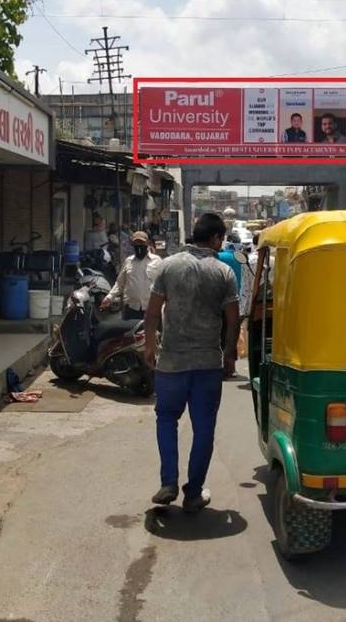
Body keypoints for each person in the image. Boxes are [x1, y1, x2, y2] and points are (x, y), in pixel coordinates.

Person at [145, 213, 239, 512]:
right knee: (204, 429)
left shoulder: (168, 265)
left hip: (171, 362)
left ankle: (168, 482)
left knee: (166, 419)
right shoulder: (224, 272)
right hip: (208, 364)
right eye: (220, 238)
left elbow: (152, 312)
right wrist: (229, 355)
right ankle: (194, 492)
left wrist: (150, 344)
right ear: (215, 239)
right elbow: (233, 320)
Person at [102, 231, 161, 320]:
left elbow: (163, 284)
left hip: (151, 308)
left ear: (147, 243)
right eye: (136, 243)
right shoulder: (128, 261)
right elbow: (120, 283)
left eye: (141, 243)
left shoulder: (157, 261)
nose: (139, 246)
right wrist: (110, 297)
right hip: (130, 309)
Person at [218, 235, 245, 378]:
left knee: (218, 334)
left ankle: (218, 365)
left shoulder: (218, 256)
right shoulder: (241, 258)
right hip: (236, 303)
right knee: (232, 334)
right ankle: (231, 367)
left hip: (218, 302)